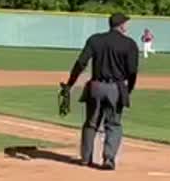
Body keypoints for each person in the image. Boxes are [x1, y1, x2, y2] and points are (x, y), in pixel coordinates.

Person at [60, 12, 141, 171]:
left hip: (95, 86)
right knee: (113, 124)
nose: (127, 26)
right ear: (122, 25)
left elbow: (81, 63)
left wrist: (70, 84)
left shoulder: (95, 39)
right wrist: (128, 89)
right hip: (115, 87)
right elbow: (132, 71)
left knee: (91, 123)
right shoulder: (129, 44)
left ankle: (86, 158)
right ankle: (108, 159)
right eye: (126, 23)